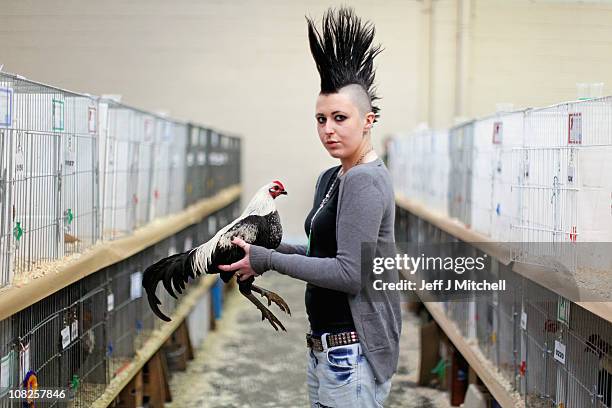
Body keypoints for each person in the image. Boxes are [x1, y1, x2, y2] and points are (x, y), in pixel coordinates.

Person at [218, 7, 401, 407]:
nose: (328, 129)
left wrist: (267, 260)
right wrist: (258, 249)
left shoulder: (365, 181)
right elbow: (323, 255)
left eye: (340, 117)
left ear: (368, 120)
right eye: (320, 119)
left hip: (352, 354)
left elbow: (349, 274)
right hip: (325, 349)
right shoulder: (331, 178)